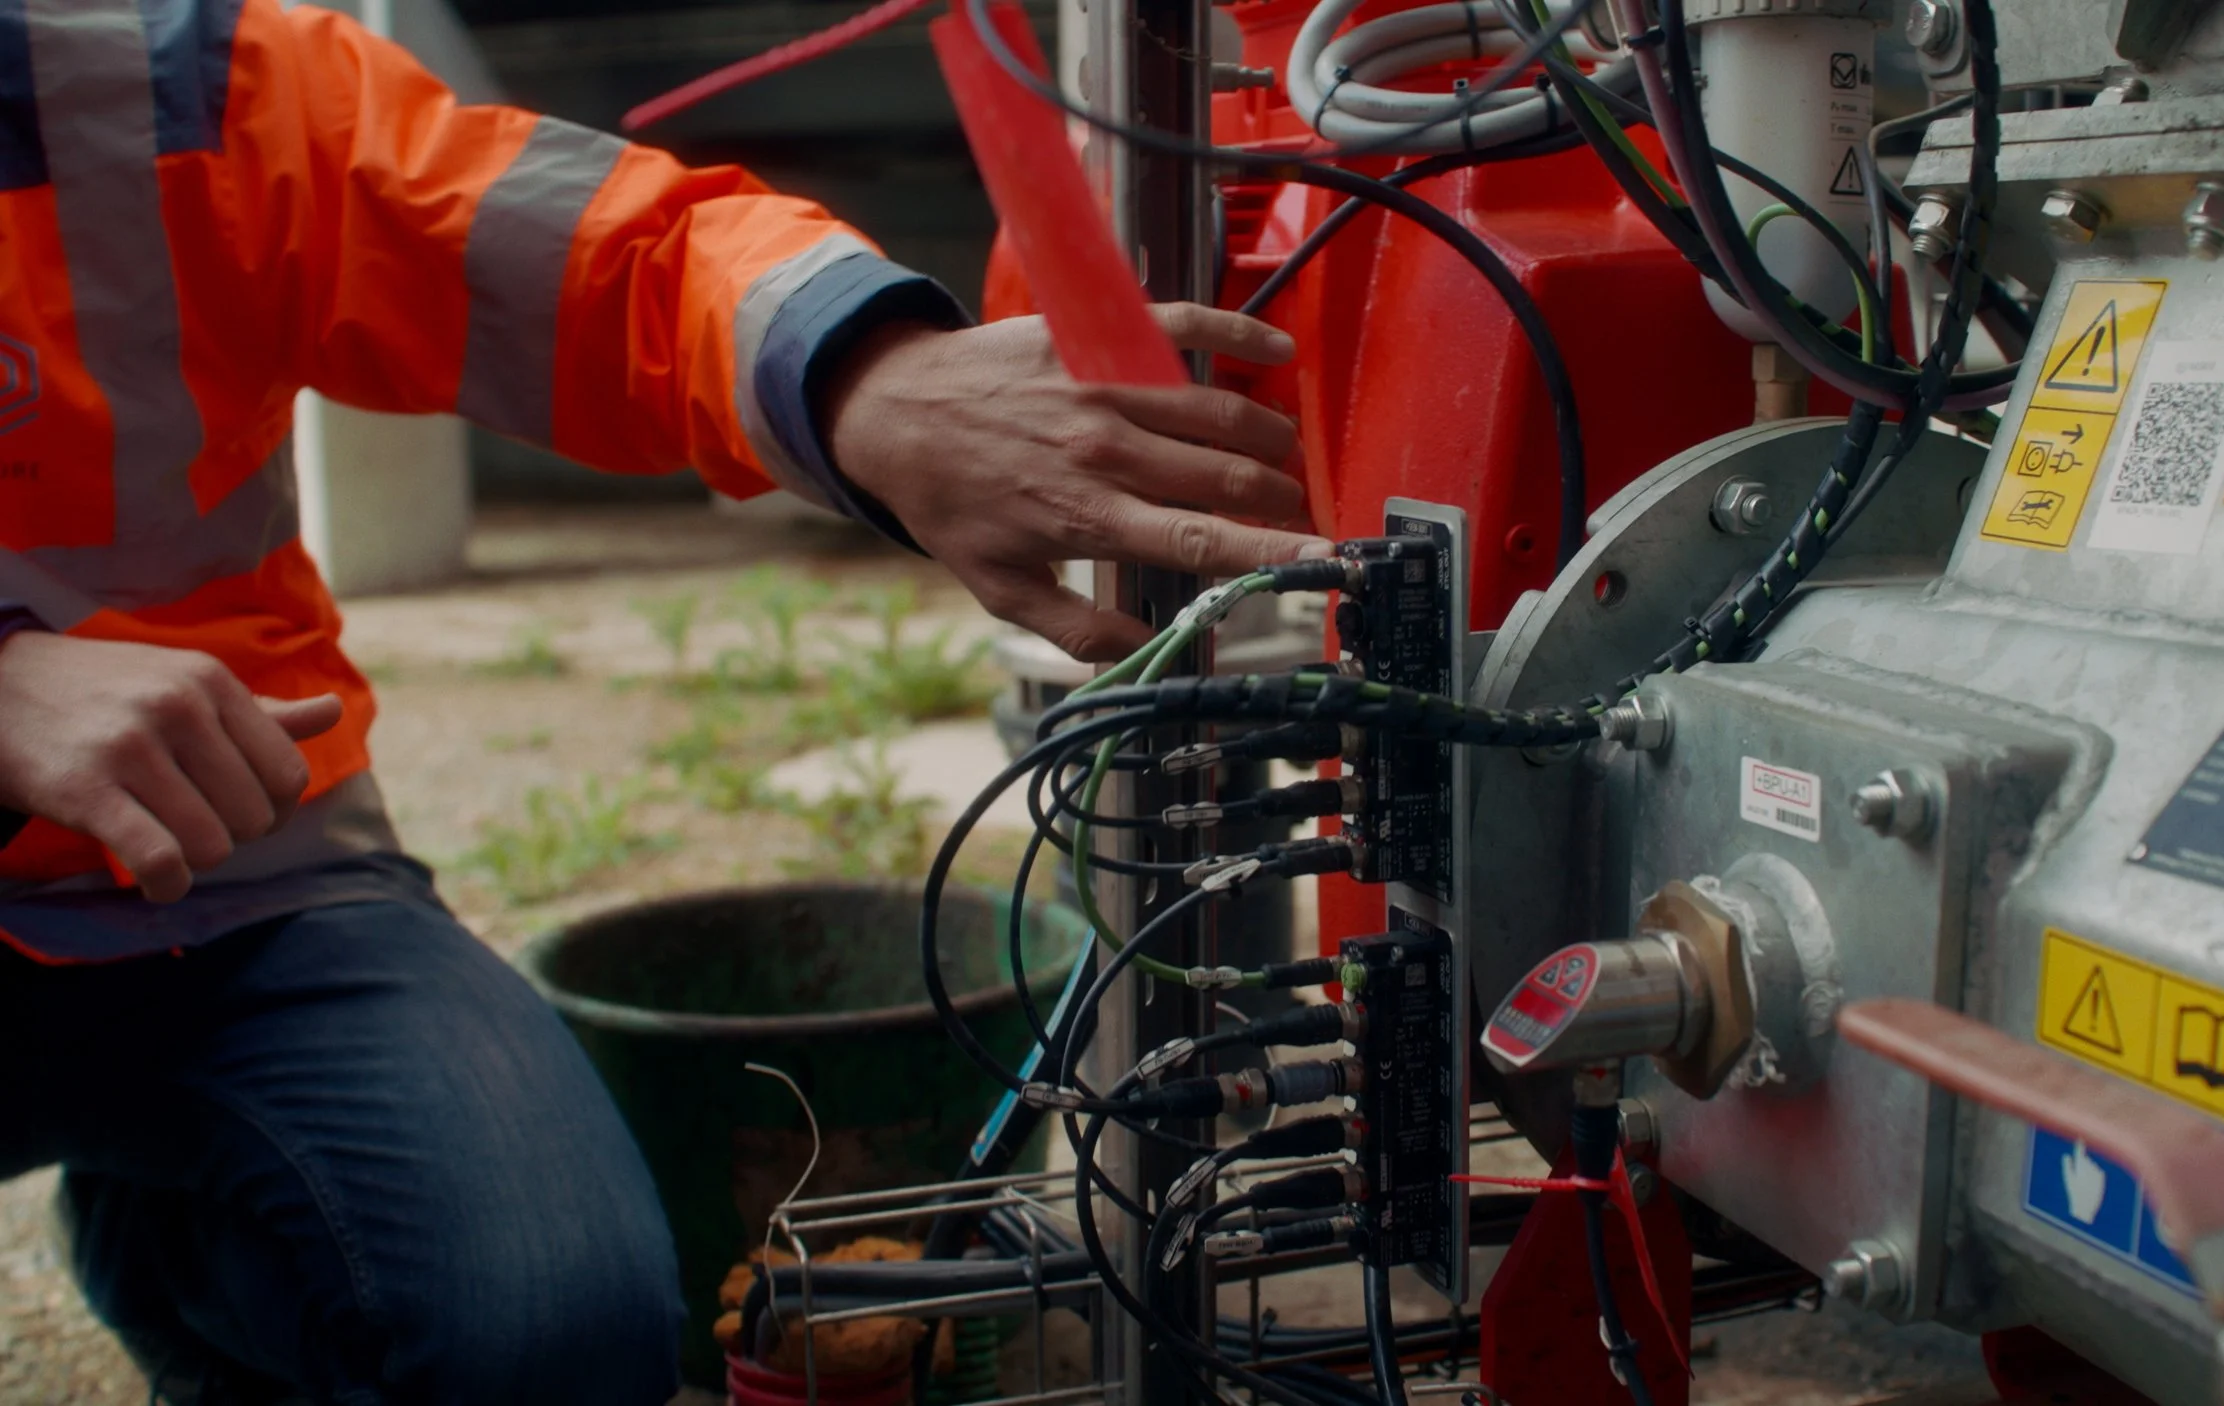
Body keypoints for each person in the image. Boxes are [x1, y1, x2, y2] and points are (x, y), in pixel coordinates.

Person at [0, 0, 1325, 1400]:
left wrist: (873, 376)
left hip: (234, 874)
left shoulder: (175, 86)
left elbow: (595, 250)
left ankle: (194, 1230)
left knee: (553, 1334)